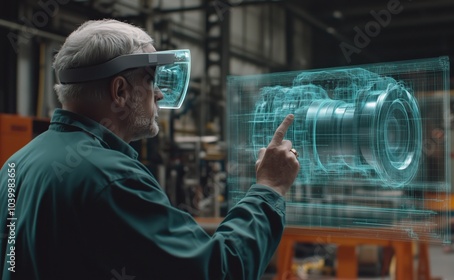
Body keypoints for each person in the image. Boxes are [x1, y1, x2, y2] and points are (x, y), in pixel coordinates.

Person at [0, 19, 300, 279]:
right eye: (151, 79)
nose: (158, 93)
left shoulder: (18, 163)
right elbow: (218, 271)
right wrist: (268, 189)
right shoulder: (111, 179)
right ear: (120, 91)